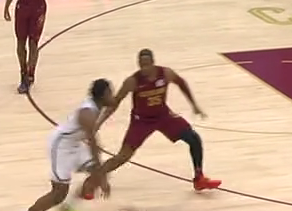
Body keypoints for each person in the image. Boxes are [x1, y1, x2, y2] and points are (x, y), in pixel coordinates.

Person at [84, 49, 222, 196]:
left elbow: (181, 83)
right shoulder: (132, 81)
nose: (143, 68)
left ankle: (199, 178)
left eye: (146, 64)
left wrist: (194, 105)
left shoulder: (166, 73)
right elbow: (115, 103)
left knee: (194, 138)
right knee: (123, 156)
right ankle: (92, 181)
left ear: (153, 63)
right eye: (141, 65)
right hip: (141, 121)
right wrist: (99, 123)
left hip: (163, 116)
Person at [10, 79, 116, 211]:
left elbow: (92, 141)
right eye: (109, 93)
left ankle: (68, 207)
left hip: (74, 143)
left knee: (98, 171)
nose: (112, 96)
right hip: (61, 147)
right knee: (59, 194)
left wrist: (100, 174)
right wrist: (102, 178)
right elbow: (93, 145)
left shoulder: (97, 106)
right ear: (102, 96)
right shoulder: (88, 113)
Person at [2, 0, 60, 94]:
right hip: (22, 8)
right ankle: (22, 73)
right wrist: (6, 6)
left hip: (38, 9)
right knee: (20, 42)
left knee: (33, 42)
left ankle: (30, 73)